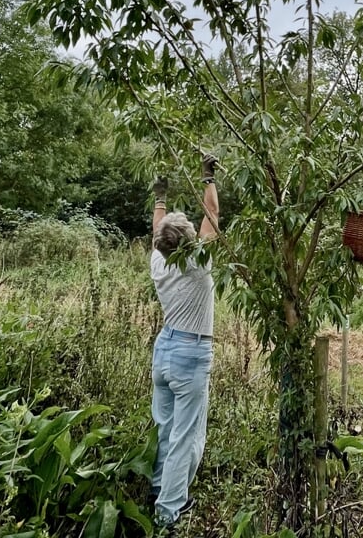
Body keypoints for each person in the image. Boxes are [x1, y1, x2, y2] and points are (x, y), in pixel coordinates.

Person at [148, 154, 220, 535]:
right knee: (185, 434)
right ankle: (169, 513)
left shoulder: (159, 261)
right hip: (191, 353)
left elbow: (159, 231)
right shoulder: (197, 262)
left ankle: (161, 489)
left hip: (164, 350)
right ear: (189, 241)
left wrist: (160, 195)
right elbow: (213, 218)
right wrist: (208, 178)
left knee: (166, 428)